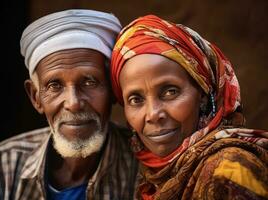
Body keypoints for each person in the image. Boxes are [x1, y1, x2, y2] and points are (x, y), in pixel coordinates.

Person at [0, 9, 139, 200]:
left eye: (90, 81)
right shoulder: (1, 169)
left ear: (114, 89)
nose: (73, 103)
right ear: (35, 97)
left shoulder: (143, 170)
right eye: (55, 85)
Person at [110, 15, 268, 200]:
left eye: (170, 92)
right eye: (136, 99)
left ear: (202, 93)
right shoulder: (146, 179)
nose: (153, 114)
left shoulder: (229, 170)